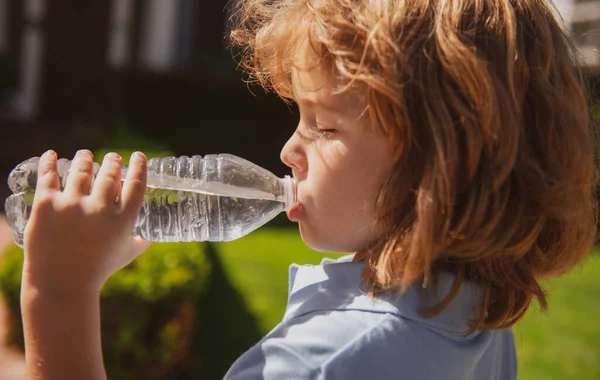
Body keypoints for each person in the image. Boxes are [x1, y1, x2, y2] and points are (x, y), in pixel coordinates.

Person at [20, 0, 597, 379]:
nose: (288, 152)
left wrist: (58, 295)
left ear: (438, 167)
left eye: (323, 126)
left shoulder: (317, 364)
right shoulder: (475, 319)